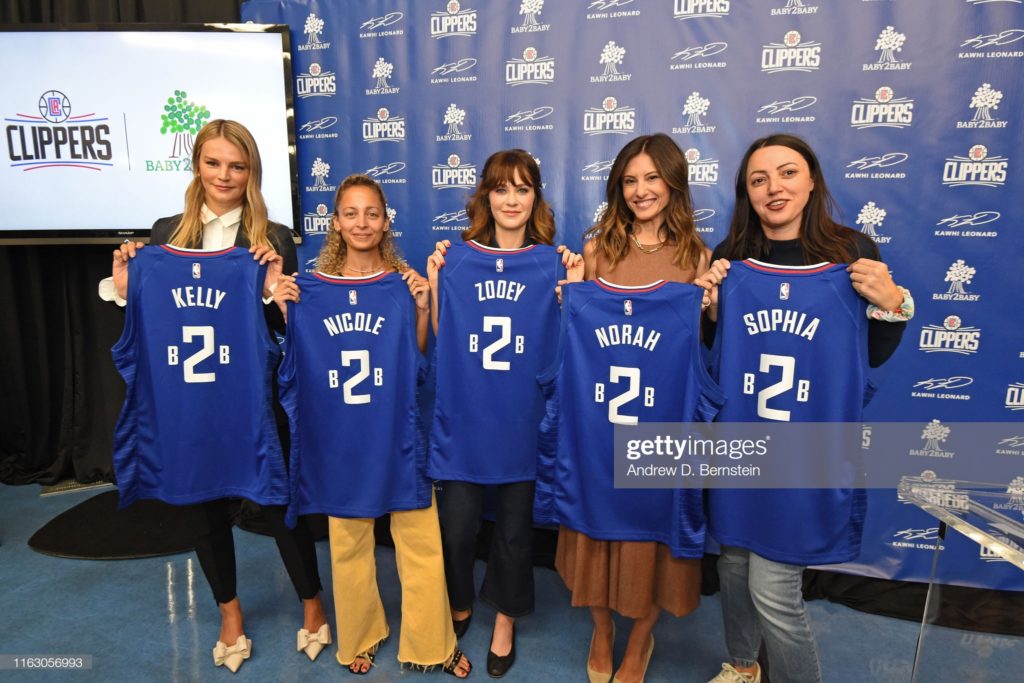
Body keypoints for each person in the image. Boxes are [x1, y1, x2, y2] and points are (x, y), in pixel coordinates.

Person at [108, 119, 328, 673]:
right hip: (190, 398)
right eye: (214, 163)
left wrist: (278, 290)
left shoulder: (270, 238)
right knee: (201, 505)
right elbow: (145, 312)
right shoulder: (163, 235)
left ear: (251, 171)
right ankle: (229, 611)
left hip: (252, 395)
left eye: (237, 165)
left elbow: (281, 326)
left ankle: (312, 601)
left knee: (280, 505)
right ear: (197, 166)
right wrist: (125, 281)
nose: (224, 175)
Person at [696, 133, 912, 683]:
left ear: (812, 179)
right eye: (759, 179)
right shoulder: (731, 258)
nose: (775, 188)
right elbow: (708, 354)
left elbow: (872, 356)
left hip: (806, 452)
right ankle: (743, 667)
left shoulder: (851, 253)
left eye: (787, 173)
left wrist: (894, 305)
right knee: (734, 566)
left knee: (774, 590)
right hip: (742, 443)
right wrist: (711, 309)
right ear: (746, 192)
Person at [273, 173, 472, 678]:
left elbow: (422, 358)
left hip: (399, 434)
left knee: (421, 540)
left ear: (386, 222)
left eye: (372, 213)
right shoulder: (311, 289)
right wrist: (285, 305)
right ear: (336, 222)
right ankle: (360, 635)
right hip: (341, 437)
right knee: (348, 543)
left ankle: (434, 643)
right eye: (351, 213)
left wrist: (423, 306)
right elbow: (293, 363)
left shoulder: (404, 282)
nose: (362, 222)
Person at [426, 149, 582, 678]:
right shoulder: (457, 258)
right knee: (458, 527)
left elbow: (569, 343)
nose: (511, 200)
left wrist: (573, 292)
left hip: (524, 417)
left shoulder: (553, 261)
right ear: (485, 197)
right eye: (500, 189)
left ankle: (506, 619)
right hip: (468, 415)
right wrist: (434, 280)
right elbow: (444, 341)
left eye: (522, 189)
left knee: (515, 530)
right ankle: (460, 597)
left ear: (535, 196)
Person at [561, 132, 711, 683]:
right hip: (601, 423)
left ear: (674, 183)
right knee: (596, 528)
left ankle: (641, 640)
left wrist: (710, 307)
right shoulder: (598, 251)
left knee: (652, 536)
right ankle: (601, 629)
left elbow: (701, 350)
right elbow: (575, 339)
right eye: (630, 180)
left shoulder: (699, 258)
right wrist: (570, 299)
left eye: (652, 178)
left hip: (663, 425)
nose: (641, 190)